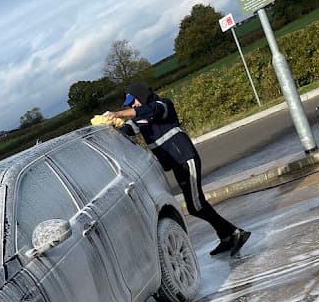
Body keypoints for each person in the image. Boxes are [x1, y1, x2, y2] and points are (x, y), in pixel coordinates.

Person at [105, 81, 250, 257]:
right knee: (197, 204)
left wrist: (119, 113)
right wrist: (111, 128)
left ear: (142, 96)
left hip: (185, 158)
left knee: (195, 205)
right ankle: (226, 237)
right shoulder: (139, 118)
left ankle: (235, 233)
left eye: (134, 101)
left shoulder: (163, 105)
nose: (133, 105)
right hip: (176, 163)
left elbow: (151, 111)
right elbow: (128, 129)